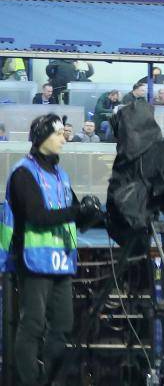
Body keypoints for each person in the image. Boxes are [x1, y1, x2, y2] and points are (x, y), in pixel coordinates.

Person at [3, 115, 105, 386]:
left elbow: (73, 217)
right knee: (33, 326)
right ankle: (29, 381)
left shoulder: (61, 175)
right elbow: (37, 215)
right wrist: (76, 210)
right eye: (59, 133)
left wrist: (93, 214)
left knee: (62, 327)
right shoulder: (24, 172)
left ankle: (50, 380)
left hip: (60, 263)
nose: (64, 138)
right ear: (42, 137)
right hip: (34, 262)